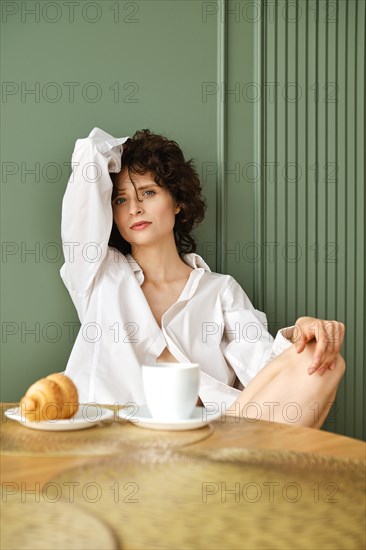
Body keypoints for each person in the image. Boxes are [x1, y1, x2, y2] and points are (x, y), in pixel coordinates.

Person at [60, 127, 346, 428]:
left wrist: (301, 331)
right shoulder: (100, 276)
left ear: (177, 202)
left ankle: (227, 460)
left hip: (210, 438)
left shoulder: (220, 291)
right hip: (118, 444)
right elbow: (88, 158)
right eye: (121, 200)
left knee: (324, 360)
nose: (134, 209)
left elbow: (267, 372)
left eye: (148, 192)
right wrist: (128, 151)